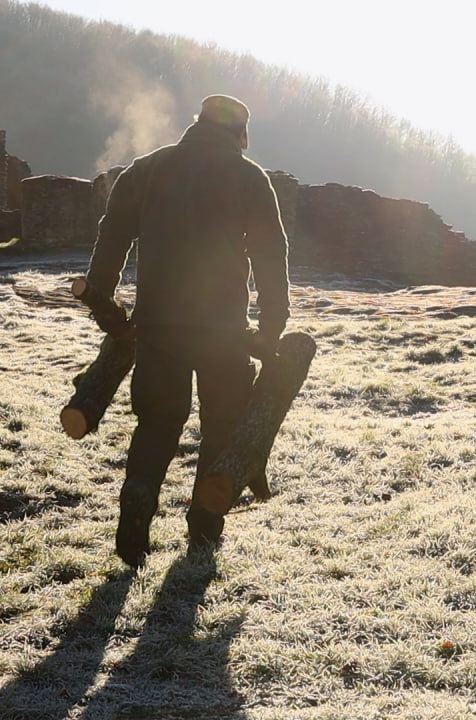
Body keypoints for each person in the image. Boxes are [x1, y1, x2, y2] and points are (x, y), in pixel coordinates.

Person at [83, 94, 289, 568]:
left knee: (156, 422)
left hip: (158, 323)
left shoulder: (148, 169)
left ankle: (137, 505)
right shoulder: (248, 176)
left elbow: (112, 232)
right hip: (223, 329)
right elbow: (270, 255)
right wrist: (270, 327)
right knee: (221, 424)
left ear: (197, 124)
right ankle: (204, 527)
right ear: (240, 134)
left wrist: (101, 299)